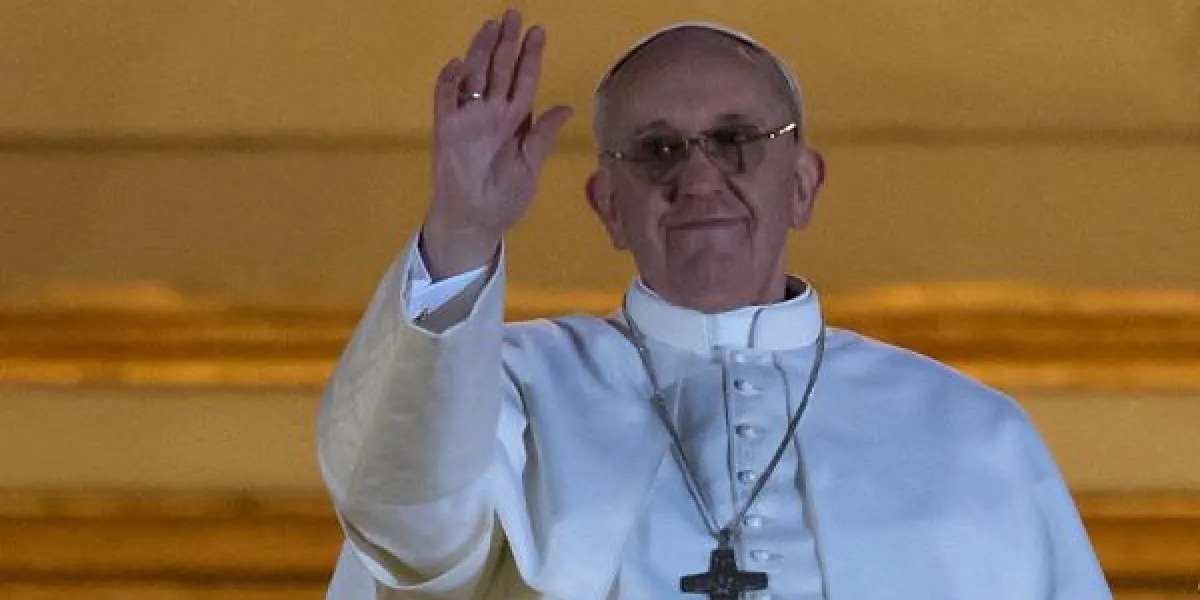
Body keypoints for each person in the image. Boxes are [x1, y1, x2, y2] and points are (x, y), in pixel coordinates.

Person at [317, 9, 1112, 599]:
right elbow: (406, 524)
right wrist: (462, 227)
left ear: (802, 185)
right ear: (608, 208)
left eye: (737, 140)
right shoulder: (512, 388)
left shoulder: (971, 433)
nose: (698, 179)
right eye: (657, 149)